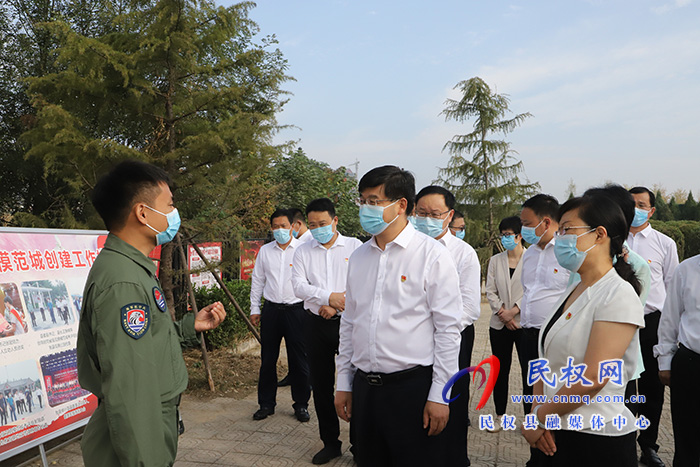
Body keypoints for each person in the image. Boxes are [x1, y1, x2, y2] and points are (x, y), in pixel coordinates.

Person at [76, 160, 226, 467]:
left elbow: (144, 343)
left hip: (149, 425)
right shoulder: (124, 282)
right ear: (143, 213)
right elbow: (129, 389)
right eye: (169, 205)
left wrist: (187, 328)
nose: (174, 214)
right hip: (139, 433)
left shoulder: (131, 267)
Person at [335, 166, 463, 467]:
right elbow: (350, 322)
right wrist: (344, 381)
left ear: (401, 204)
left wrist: (440, 395)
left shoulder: (431, 255)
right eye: (362, 201)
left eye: (373, 201)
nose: (365, 209)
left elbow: (447, 330)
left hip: (412, 390)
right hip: (366, 389)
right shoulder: (358, 257)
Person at [521, 190, 644, 466]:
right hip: (555, 430)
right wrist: (537, 413)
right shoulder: (575, 289)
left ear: (599, 234)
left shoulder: (618, 294)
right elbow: (545, 361)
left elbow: (593, 376)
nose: (559, 237)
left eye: (567, 229)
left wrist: (540, 417)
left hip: (595, 438)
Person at [291, 198, 363, 464]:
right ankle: (330, 442)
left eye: (322, 223)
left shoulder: (356, 247)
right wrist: (327, 297)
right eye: (312, 225)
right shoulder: (302, 250)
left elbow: (362, 283)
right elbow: (298, 286)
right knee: (321, 385)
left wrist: (335, 305)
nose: (317, 228)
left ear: (334, 221)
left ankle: (359, 442)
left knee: (356, 381)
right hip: (315, 324)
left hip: (350, 323)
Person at [414, 185, 481, 466]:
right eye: (421, 213)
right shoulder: (408, 248)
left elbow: (470, 307)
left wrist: (441, 327)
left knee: (450, 398)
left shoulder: (464, 254)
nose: (427, 218)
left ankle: (452, 457)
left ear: (449, 215)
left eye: (435, 214)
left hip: (454, 336)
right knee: (418, 396)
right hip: (414, 339)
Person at [626, 186, 679, 467]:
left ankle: (648, 445)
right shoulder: (612, 240)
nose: (635, 208)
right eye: (631, 203)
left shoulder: (664, 243)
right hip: (619, 323)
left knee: (651, 390)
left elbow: (672, 290)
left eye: (641, 204)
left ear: (651, 210)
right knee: (621, 386)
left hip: (652, 324)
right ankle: (621, 442)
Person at [520, 194, 570, 466]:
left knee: (555, 395)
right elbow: (529, 293)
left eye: (527, 223)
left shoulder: (564, 253)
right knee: (531, 395)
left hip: (553, 339)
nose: (523, 229)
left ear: (546, 221)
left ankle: (554, 451)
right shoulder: (530, 254)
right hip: (528, 337)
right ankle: (535, 454)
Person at [250, 208, 311, 422]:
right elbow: (257, 280)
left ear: (293, 226)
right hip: (272, 310)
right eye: (275, 227)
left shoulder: (304, 250)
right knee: (268, 359)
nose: (279, 230)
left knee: (299, 360)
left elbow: (312, 282)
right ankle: (266, 404)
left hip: (297, 310)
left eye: (283, 226)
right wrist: (254, 309)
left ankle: (301, 404)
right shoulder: (265, 251)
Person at [654, 252, 700, 466]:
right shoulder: (686, 269)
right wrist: (665, 360)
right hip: (691, 363)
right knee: (687, 436)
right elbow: (670, 318)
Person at [486, 216, 527, 430]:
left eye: (508, 235)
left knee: (528, 372)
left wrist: (514, 311)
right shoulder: (496, 260)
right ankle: (499, 415)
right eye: (502, 235)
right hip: (499, 324)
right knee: (500, 371)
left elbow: (533, 290)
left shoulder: (531, 260)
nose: (505, 239)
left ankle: (531, 419)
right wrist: (503, 312)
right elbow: (490, 291)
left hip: (522, 324)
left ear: (520, 236)